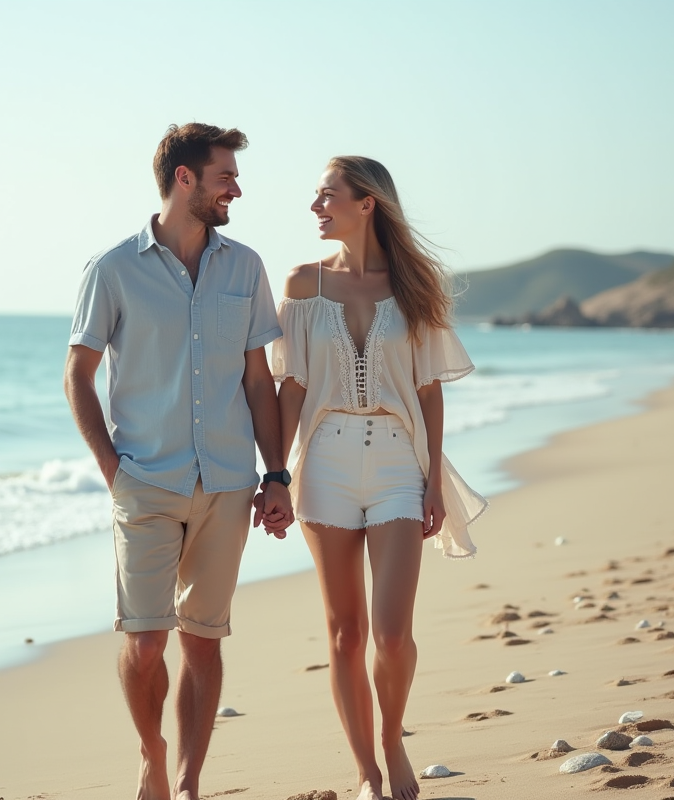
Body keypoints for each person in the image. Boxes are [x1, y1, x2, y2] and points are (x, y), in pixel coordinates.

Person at [64, 123, 294, 800]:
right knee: (144, 645)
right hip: (146, 483)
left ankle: (190, 784)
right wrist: (115, 473)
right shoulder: (112, 270)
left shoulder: (244, 265)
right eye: (226, 176)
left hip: (227, 484)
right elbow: (77, 377)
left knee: (203, 639)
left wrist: (275, 474)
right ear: (185, 179)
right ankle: (152, 753)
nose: (237, 189)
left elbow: (258, 381)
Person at [271, 156, 486, 800]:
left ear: (367, 204)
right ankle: (367, 771)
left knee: (392, 635)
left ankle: (392, 742)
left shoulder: (414, 285)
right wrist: (276, 474)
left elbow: (429, 391)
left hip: (397, 461)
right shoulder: (302, 284)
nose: (315, 206)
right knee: (346, 631)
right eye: (316, 196)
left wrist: (430, 480)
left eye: (327, 195)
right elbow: (292, 387)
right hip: (326, 463)